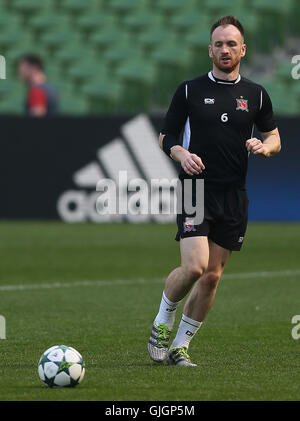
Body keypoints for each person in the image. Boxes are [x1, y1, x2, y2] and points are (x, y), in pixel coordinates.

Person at [148, 15, 281, 366]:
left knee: (212, 276)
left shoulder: (256, 94)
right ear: (210, 50)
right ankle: (163, 320)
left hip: (234, 195)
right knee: (194, 267)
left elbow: (274, 136)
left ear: (243, 50)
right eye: (219, 44)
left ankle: (180, 347)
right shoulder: (190, 90)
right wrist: (180, 153)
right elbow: (166, 135)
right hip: (196, 188)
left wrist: (266, 148)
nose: (225, 49)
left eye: (231, 44)